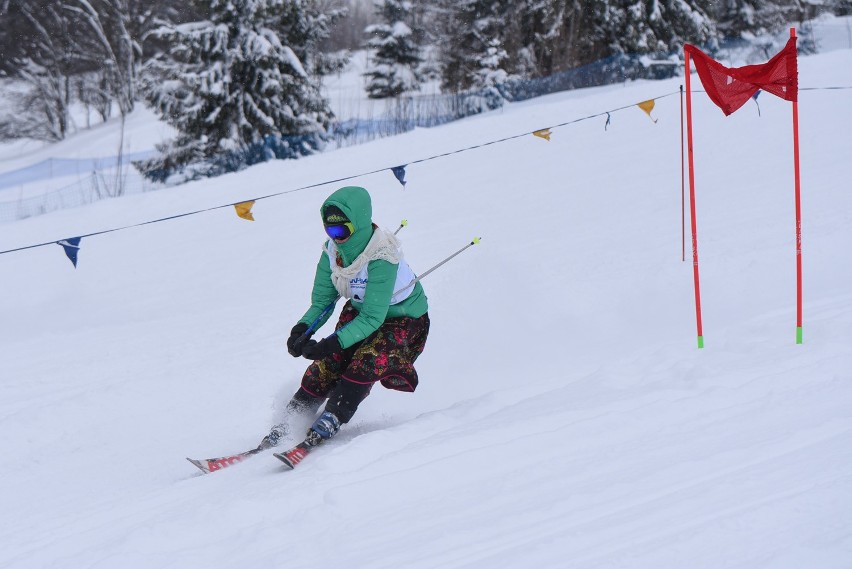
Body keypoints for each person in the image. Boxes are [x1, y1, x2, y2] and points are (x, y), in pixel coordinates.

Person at [260, 186, 430, 449]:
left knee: (365, 360)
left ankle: (332, 417)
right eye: (330, 230)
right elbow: (323, 301)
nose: (336, 237)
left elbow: (374, 317)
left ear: (359, 225)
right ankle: (288, 421)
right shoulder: (331, 253)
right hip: (362, 311)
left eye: (342, 230)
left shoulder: (382, 257)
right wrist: (302, 330)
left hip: (403, 319)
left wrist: (331, 342)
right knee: (329, 363)